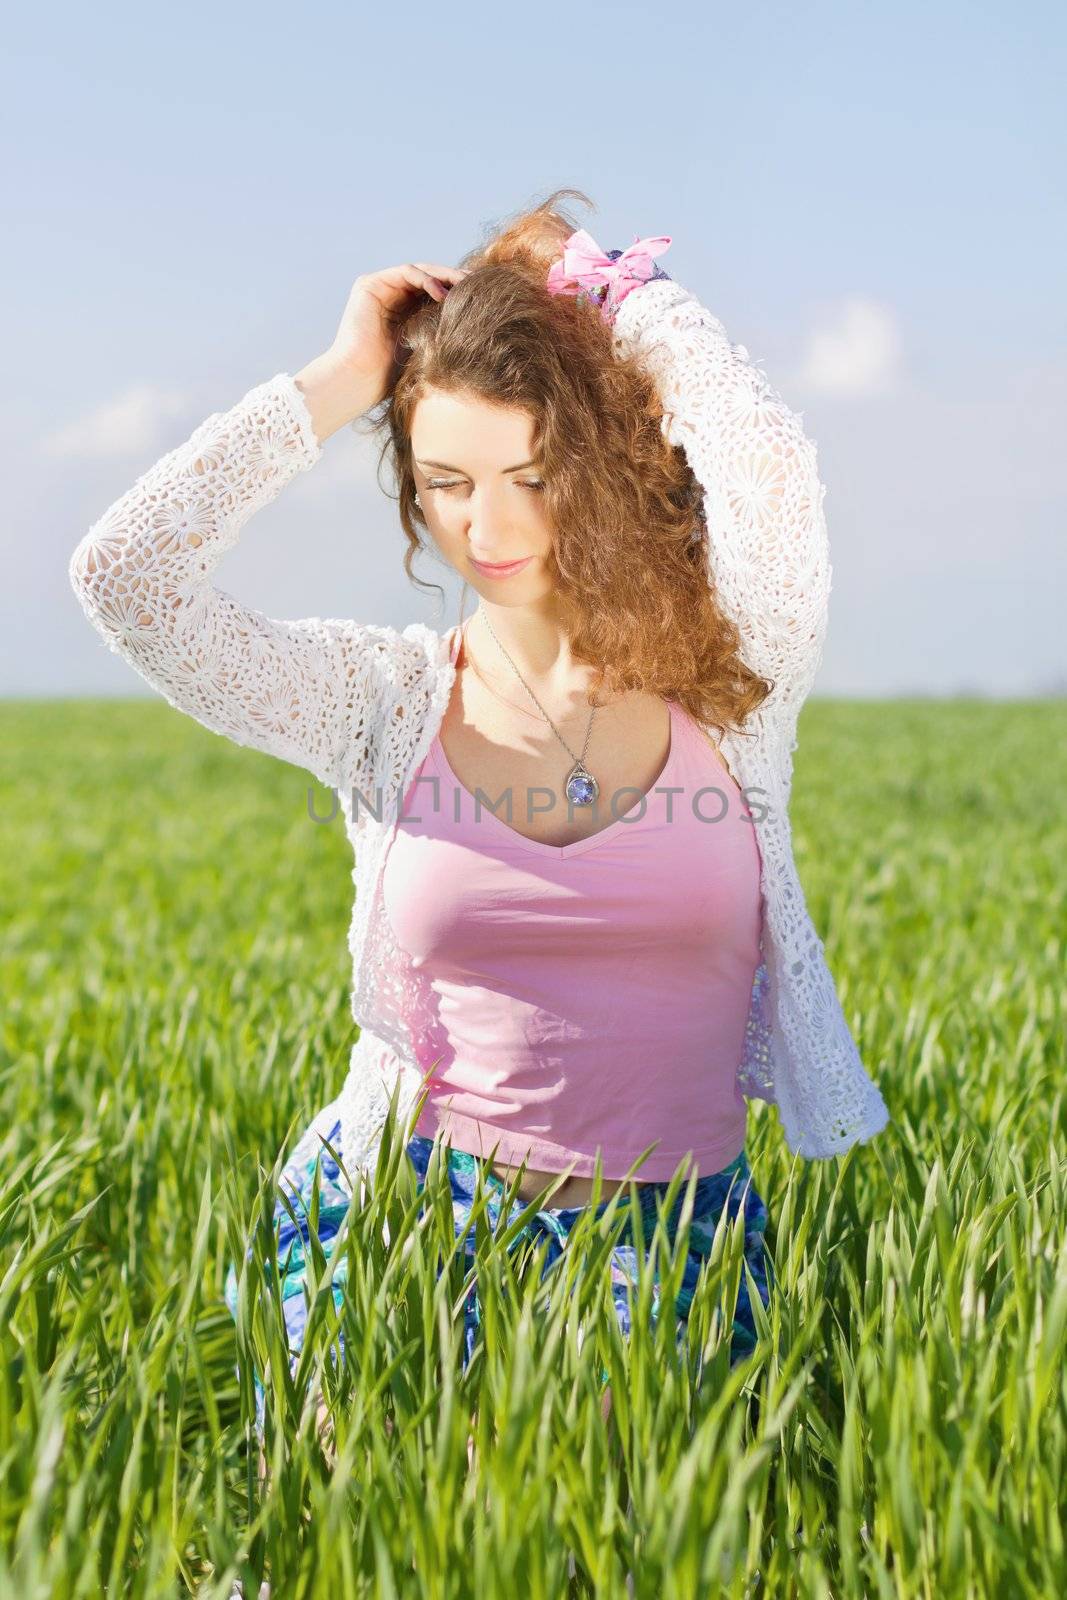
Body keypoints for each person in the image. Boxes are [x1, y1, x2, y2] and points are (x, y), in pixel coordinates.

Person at [68, 186, 890, 1466]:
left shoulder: (736, 686)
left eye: (532, 474)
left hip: (673, 1249)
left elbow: (767, 464)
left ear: (608, 459)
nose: (488, 529)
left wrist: (623, 298)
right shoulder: (377, 699)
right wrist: (348, 376)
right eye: (445, 481)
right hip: (400, 1246)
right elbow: (129, 580)